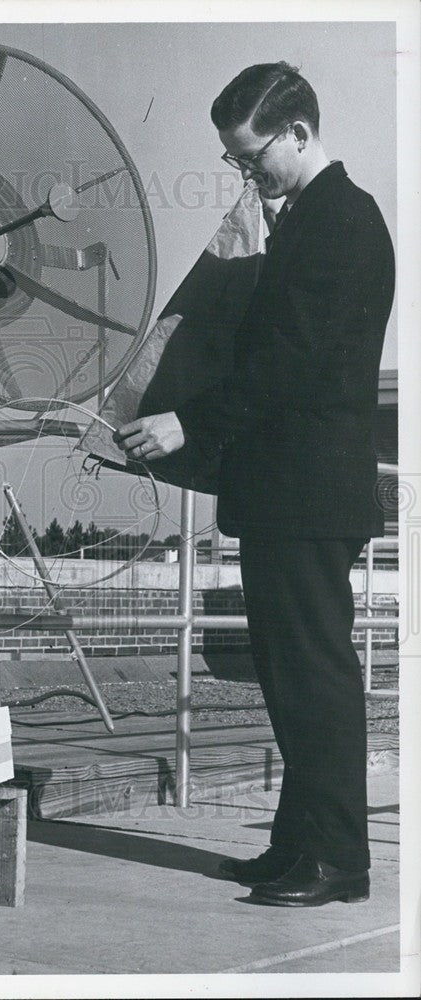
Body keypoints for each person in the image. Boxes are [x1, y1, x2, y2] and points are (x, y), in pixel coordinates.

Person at [115, 63, 394, 907]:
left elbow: (289, 363)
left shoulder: (342, 222)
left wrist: (185, 422)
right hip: (286, 489)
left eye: (251, 158)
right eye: (235, 163)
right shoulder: (305, 220)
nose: (246, 177)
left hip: (309, 490)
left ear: (298, 134)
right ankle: (296, 843)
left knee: (312, 672)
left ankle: (339, 859)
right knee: (285, 671)